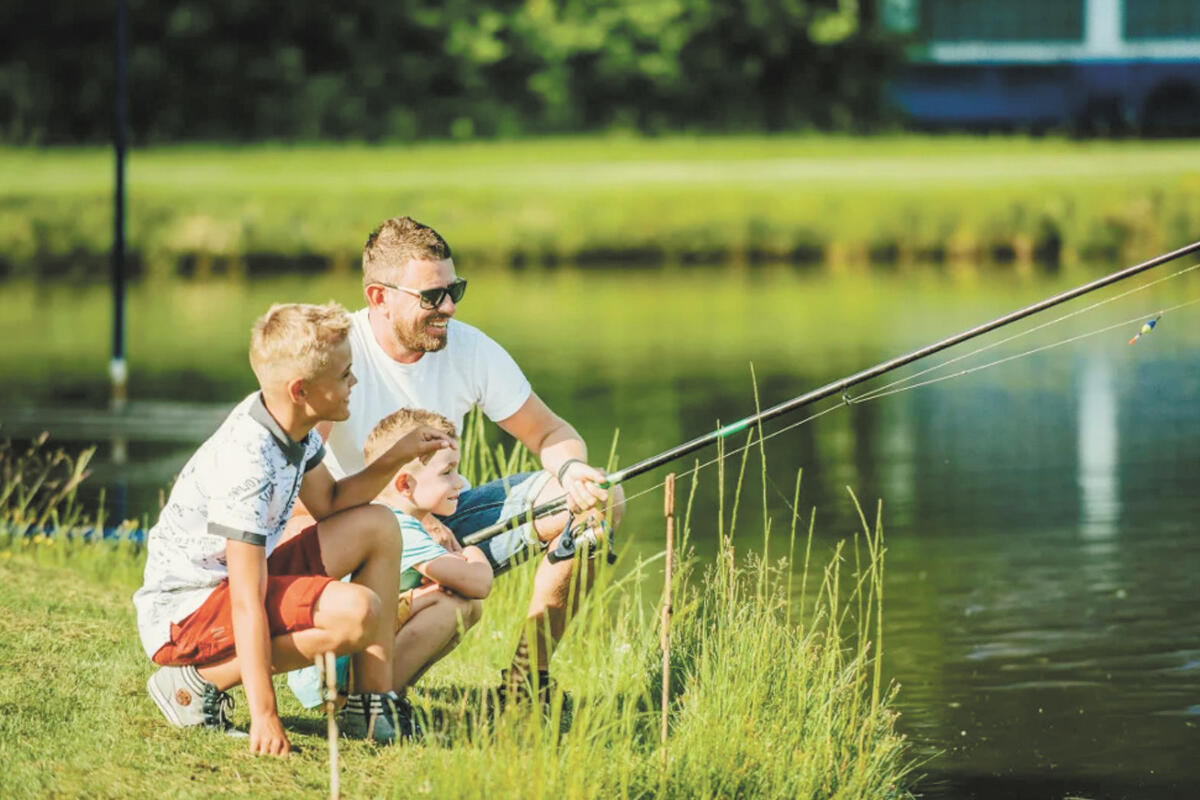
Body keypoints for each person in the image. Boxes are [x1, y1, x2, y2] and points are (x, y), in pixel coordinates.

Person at [309, 215, 625, 704]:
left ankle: (525, 684)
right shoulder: (337, 354)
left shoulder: (470, 348)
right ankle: (360, 688)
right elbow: (294, 484)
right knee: (448, 596)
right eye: (432, 297)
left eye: (454, 289)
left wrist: (570, 469)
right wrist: (400, 524)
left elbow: (550, 432)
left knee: (600, 498)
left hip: (445, 518)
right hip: (356, 542)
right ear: (380, 298)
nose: (449, 307)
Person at [132, 302, 453, 754]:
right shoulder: (250, 461)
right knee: (357, 612)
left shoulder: (289, 424)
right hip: (187, 614)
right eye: (343, 375)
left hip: (231, 588)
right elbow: (246, 601)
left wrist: (396, 456)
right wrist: (265, 716)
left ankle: (371, 706)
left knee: (379, 524)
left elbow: (331, 503)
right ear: (301, 390)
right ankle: (193, 682)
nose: (353, 383)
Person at [288, 408, 492, 719]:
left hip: (336, 661)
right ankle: (371, 701)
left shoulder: (394, 517)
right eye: (447, 472)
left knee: (460, 604)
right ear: (405, 485)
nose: (460, 483)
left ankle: (387, 698)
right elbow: (478, 583)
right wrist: (474, 552)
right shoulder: (396, 526)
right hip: (323, 672)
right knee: (455, 606)